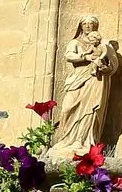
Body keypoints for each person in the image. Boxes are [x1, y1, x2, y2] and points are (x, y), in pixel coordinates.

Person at [46, 15, 115, 160]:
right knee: (67, 108)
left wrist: (105, 67)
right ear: (81, 26)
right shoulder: (75, 42)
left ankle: (83, 141)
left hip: (95, 80)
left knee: (90, 110)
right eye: (85, 23)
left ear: (95, 27)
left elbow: (113, 63)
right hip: (78, 79)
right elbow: (69, 55)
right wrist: (85, 57)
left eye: (91, 24)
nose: (88, 26)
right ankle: (66, 140)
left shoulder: (103, 44)